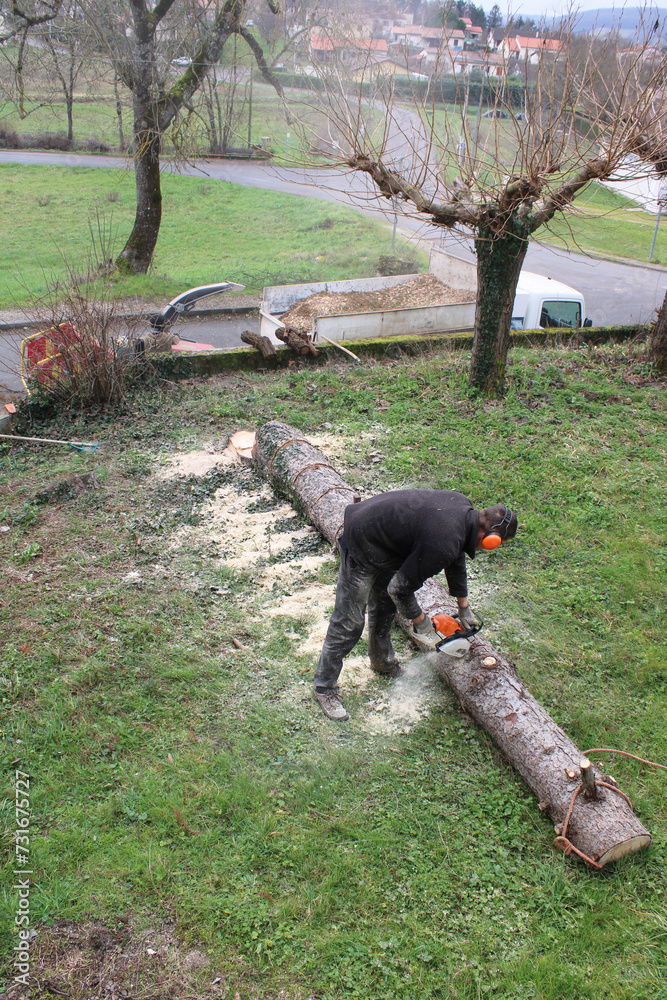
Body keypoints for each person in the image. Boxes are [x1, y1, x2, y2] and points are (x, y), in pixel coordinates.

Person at [313, 490, 517, 721]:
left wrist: (463, 605)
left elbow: (456, 555)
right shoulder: (444, 541)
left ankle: (383, 663)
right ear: (491, 539)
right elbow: (399, 589)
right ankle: (324, 688)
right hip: (362, 540)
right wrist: (422, 623)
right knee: (349, 622)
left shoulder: (462, 510)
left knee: (386, 607)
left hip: (388, 545)